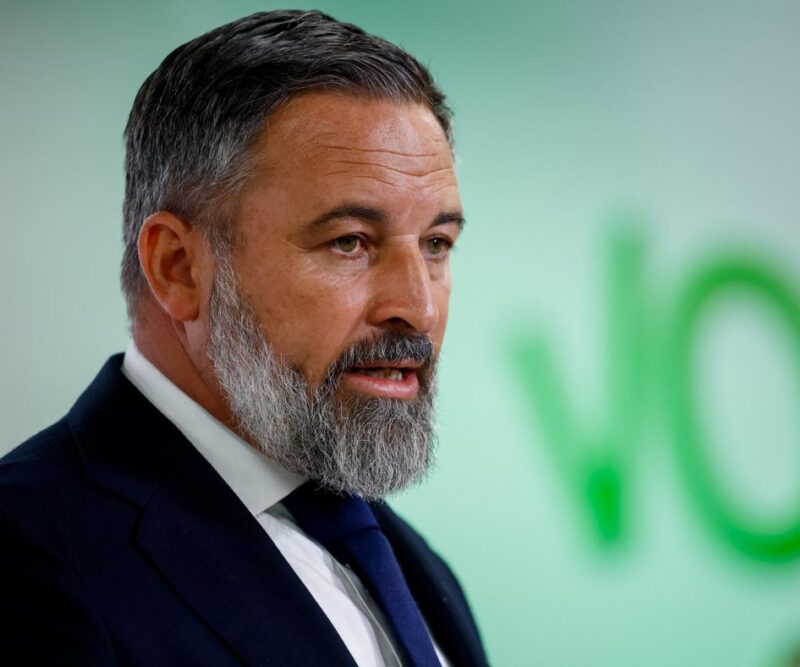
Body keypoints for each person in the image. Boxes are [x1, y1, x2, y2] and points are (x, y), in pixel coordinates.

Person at [0, 10, 488, 666]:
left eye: (436, 243)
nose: (417, 307)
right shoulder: (27, 555)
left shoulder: (411, 562)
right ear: (179, 267)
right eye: (349, 242)